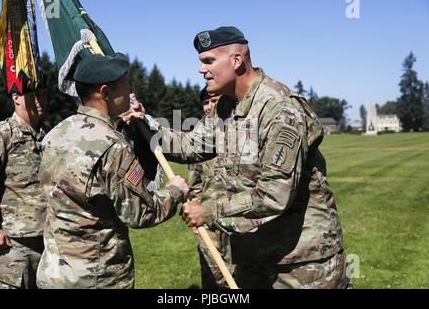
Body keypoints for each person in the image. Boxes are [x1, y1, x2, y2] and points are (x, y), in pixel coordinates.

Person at [147, 26, 350, 289]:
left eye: (208, 61)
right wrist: (142, 125)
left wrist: (208, 211)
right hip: (252, 256)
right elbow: (191, 145)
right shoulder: (225, 107)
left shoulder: (279, 108)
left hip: (300, 263)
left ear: (236, 60)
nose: (201, 70)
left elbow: (273, 195)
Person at [36, 53, 189, 289]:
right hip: (98, 276)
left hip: (54, 273)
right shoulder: (112, 147)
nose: (130, 92)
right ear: (105, 93)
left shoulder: (55, 134)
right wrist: (175, 191)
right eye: (126, 86)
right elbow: (141, 213)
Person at [0, 85, 47, 289]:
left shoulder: (47, 136)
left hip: (48, 239)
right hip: (12, 244)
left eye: (43, 93)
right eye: (33, 94)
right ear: (16, 98)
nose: (40, 99)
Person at [187, 88, 233, 289]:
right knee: (213, 278)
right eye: (206, 102)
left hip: (234, 217)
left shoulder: (237, 130)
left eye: (214, 101)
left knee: (239, 275)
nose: (209, 106)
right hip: (208, 221)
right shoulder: (198, 137)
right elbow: (194, 182)